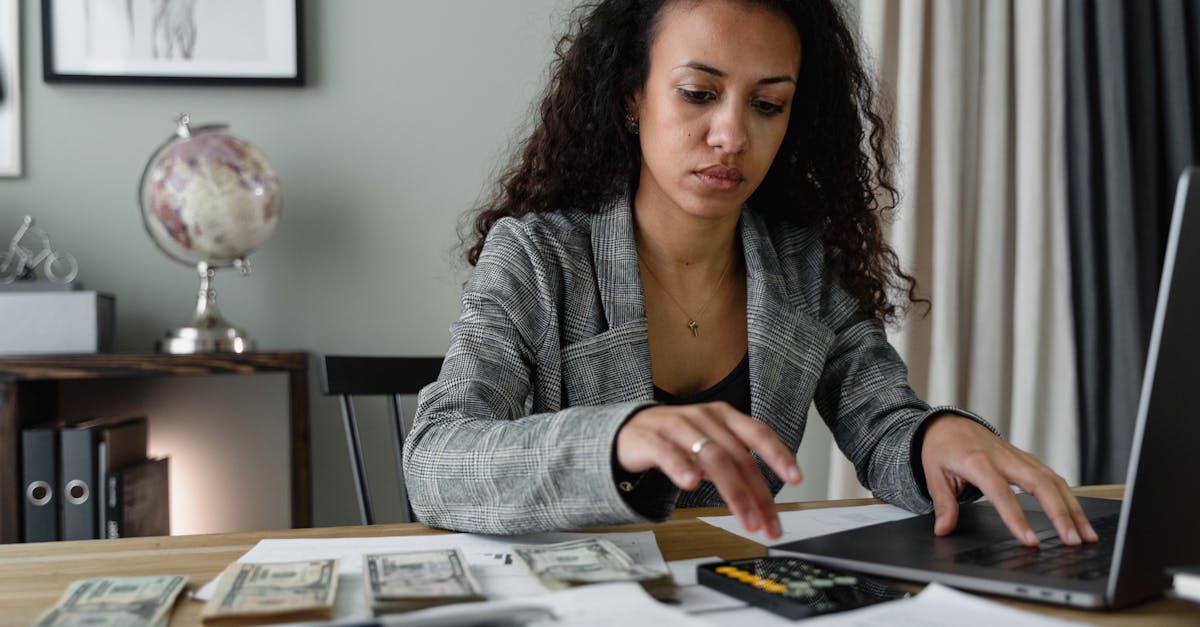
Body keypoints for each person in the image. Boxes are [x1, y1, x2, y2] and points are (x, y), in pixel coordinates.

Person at [404, 0, 1097, 548]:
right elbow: (435, 459)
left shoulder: (803, 270)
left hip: (738, 599)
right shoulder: (536, 257)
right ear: (632, 98)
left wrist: (933, 439)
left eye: (767, 104)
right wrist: (617, 438)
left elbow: (883, 424)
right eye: (699, 93)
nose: (732, 134)